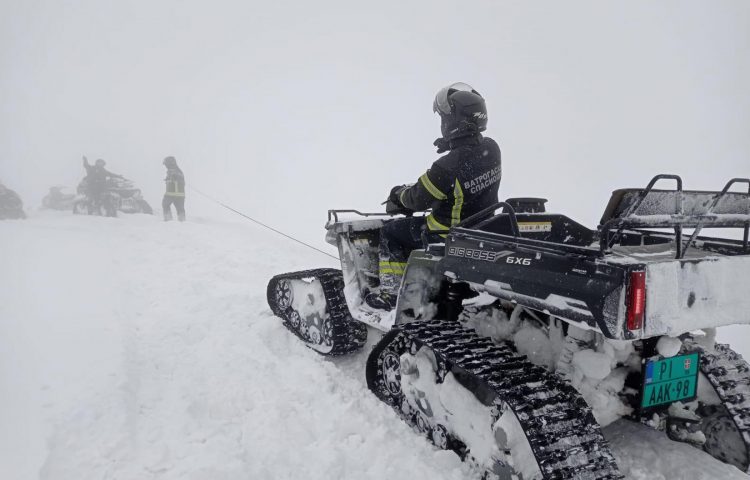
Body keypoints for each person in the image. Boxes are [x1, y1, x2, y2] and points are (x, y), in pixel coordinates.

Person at [365, 83, 502, 311]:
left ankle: (390, 295)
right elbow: (468, 175)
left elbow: (416, 199)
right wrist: (453, 145)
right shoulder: (492, 148)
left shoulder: (447, 167)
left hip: (446, 234)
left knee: (391, 233)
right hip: (480, 230)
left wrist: (398, 195)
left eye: (444, 119)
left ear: (453, 121)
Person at [162, 156, 185, 221]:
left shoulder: (173, 170)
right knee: (180, 209)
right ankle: (182, 221)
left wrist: (174, 176)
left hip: (172, 193)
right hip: (180, 195)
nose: (165, 166)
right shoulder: (178, 170)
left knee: (165, 204)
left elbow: (177, 176)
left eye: (166, 164)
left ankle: (168, 220)